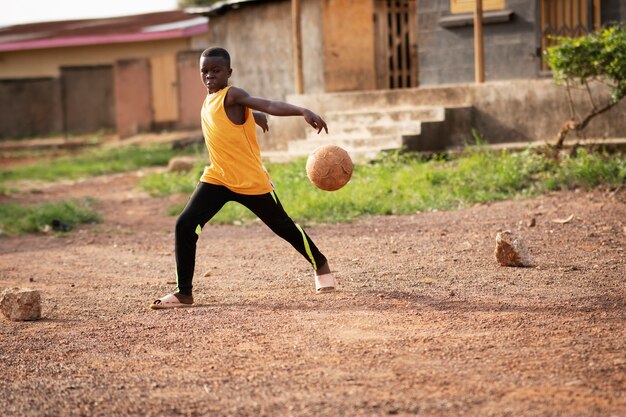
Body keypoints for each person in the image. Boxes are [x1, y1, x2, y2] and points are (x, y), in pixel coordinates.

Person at [151, 47, 335, 309]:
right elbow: (235, 117)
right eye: (205, 71)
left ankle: (321, 265)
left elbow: (268, 104)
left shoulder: (233, 94)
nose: (209, 76)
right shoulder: (211, 99)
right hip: (218, 177)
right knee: (185, 224)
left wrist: (302, 111)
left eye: (216, 71)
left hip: (249, 181)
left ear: (229, 72)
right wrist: (254, 116)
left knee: (283, 227)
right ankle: (184, 293)